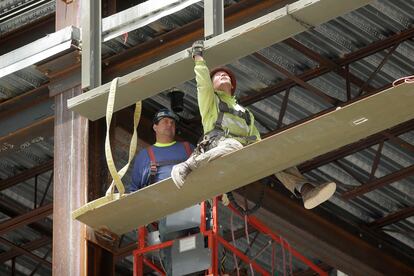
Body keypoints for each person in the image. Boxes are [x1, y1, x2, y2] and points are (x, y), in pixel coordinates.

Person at [171, 40, 336, 210]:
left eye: (226, 75)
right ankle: (189, 166)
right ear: (212, 86)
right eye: (217, 76)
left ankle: (305, 190)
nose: (223, 75)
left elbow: (256, 139)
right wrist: (198, 57)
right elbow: (202, 82)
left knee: (274, 151)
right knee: (233, 145)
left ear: (233, 86)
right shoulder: (211, 101)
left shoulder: (245, 113)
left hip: (242, 151)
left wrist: (268, 153)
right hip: (219, 146)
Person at [130, 108, 195, 275]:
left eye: (172, 122)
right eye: (165, 121)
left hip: (193, 205)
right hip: (167, 210)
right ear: (155, 127)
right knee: (170, 232)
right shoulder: (145, 156)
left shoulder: (188, 148)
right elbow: (134, 191)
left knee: (212, 228)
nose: (170, 124)